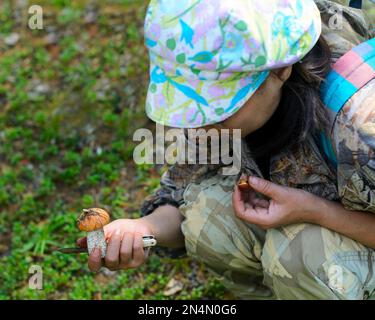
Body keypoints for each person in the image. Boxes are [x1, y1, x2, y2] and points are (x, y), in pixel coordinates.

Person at [78, 0, 375, 299]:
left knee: (302, 256)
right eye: (190, 106)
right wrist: (142, 230)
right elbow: (179, 193)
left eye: (216, 109)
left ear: (281, 70)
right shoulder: (214, 119)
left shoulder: (361, 122)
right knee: (205, 216)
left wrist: (317, 211)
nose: (198, 126)